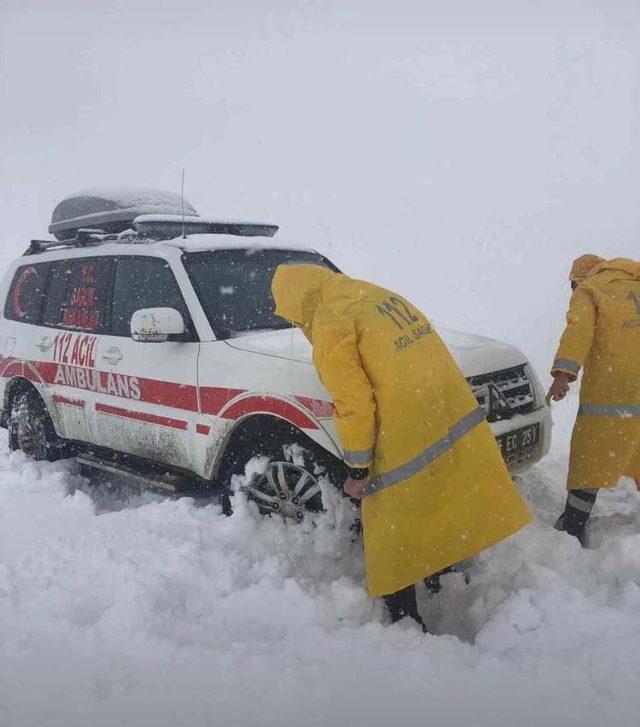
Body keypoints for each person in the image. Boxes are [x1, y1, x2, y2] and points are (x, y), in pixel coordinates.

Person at [271, 264, 532, 630]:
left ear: (298, 303)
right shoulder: (373, 295)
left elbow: (354, 401)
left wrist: (358, 468)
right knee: (437, 499)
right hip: (442, 412)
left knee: (392, 525)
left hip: (403, 427)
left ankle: (405, 617)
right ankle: (442, 573)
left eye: (295, 319)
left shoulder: (330, 320)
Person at [548, 255, 640, 546]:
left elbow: (578, 331)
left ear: (580, 278)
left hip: (611, 394)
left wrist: (563, 375)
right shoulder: (635, 284)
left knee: (590, 456)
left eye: (573, 285)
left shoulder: (590, 291)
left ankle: (573, 525)